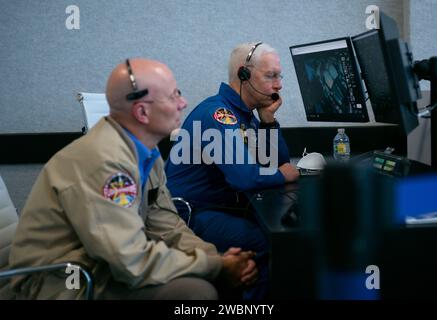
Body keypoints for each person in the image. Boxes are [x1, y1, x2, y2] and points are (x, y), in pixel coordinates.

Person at [8, 58, 257, 300]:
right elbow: (130, 260)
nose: (183, 103)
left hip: (99, 265)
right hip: (59, 281)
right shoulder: (105, 163)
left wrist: (216, 259)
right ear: (142, 111)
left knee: (219, 279)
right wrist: (213, 266)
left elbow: (167, 224)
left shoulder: (147, 153)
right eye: (173, 96)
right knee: (197, 292)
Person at [165, 42, 300, 299]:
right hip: (189, 214)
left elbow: (273, 162)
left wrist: (268, 120)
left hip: (215, 207)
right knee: (265, 240)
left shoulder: (244, 115)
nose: (279, 85)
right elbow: (246, 178)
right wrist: (285, 174)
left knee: (278, 231)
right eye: (270, 75)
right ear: (243, 74)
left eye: (278, 76)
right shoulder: (218, 115)